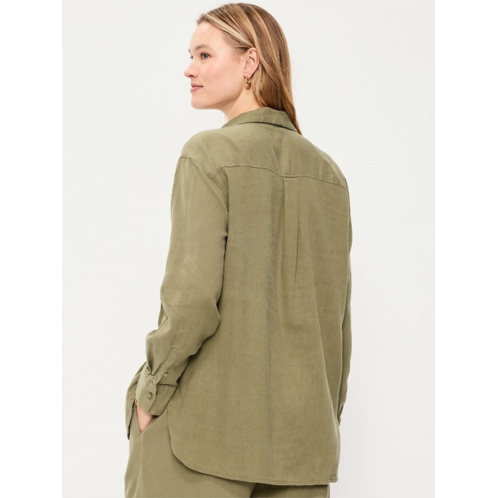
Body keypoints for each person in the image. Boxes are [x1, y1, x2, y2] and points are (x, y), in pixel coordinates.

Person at [124, 3, 353, 497]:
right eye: (191, 56)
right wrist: (323, 418)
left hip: (199, 439)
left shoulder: (208, 153)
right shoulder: (329, 175)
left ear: (250, 62)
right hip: (301, 445)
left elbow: (191, 298)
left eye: (204, 55)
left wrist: (151, 391)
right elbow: (337, 323)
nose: (189, 69)